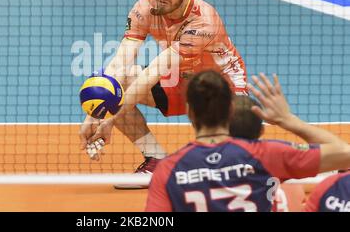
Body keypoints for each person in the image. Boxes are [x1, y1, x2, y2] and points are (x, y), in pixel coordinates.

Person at [79, 0, 247, 188]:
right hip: (183, 80)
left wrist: (110, 118)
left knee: (234, 167)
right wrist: (96, 112)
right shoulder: (145, 8)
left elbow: (154, 72)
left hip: (222, 89)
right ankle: (156, 162)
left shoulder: (203, 21)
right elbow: (119, 64)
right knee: (121, 81)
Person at [145, 71, 350, 212]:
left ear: (189, 111)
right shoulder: (266, 155)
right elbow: (344, 153)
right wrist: (288, 120)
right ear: (231, 110)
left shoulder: (168, 169)